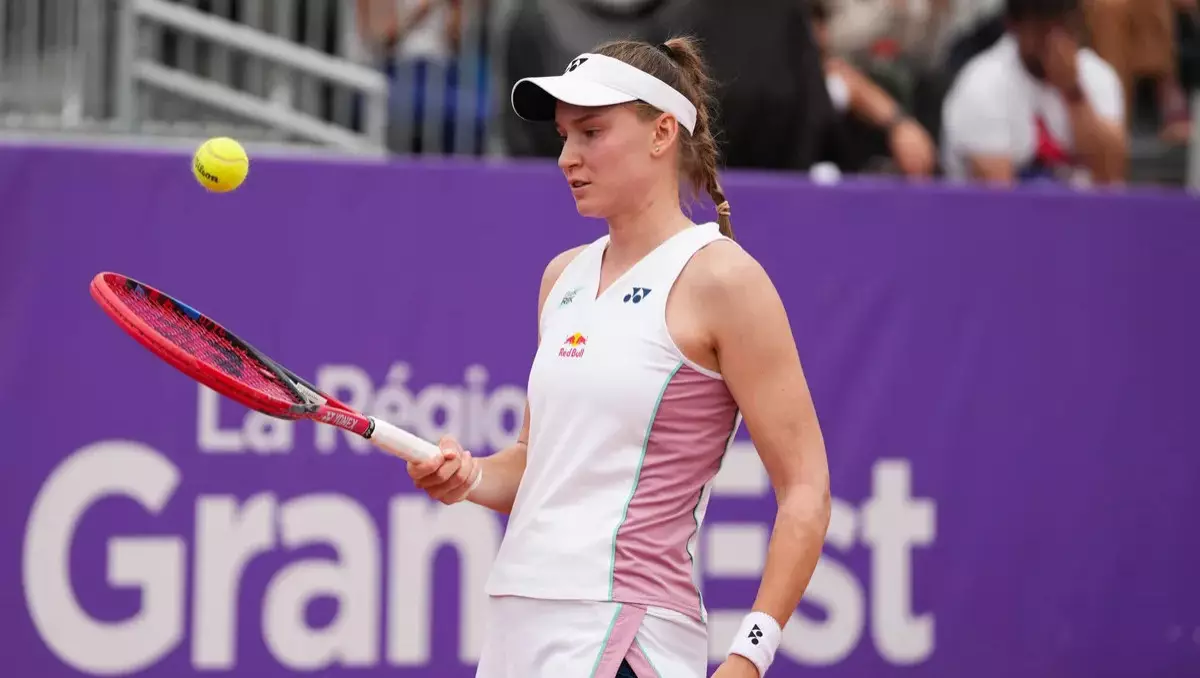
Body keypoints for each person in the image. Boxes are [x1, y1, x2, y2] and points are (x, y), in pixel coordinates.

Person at [405, 35, 831, 678]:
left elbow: (806, 489)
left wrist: (749, 655)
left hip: (626, 636)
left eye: (591, 132)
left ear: (662, 133)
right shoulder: (562, 277)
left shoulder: (724, 279)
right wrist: (467, 476)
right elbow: (535, 465)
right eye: (563, 136)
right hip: (519, 627)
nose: (567, 157)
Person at [940, 0, 1128, 186]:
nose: (1055, 40)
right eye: (1044, 27)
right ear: (1013, 25)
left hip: (1082, 205)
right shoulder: (982, 84)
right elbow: (995, 195)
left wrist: (1073, 93)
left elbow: (1110, 176)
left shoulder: (1097, 76)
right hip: (1013, 205)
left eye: (1063, 23)